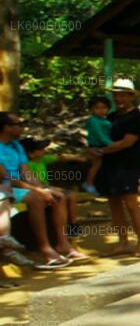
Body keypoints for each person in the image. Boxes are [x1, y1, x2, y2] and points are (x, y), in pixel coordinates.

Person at [0, 112, 85, 268]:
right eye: (18, 124)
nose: (21, 127)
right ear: (6, 127)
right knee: (36, 198)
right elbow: (7, 178)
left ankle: (63, 244)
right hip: (5, 187)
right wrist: (38, 191)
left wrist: (44, 188)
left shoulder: (16, 146)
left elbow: (26, 172)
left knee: (58, 196)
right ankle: (45, 248)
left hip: (19, 186)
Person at [91, 78, 140, 257]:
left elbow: (127, 142)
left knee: (131, 205)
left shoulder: (137, 117)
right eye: (116, 95)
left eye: (123, 95)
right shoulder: (111, 117)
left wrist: (102, 150)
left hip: (127, 166)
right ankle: (122, 242)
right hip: (110, 165)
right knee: (114, 205)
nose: (119, 98)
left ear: (130, 96)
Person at [83, 95, 112, 194]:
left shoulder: (105, 120)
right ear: (92, 109)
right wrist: (112, 144)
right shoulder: (93, 120)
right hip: (96, 146)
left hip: (104, 145)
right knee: (96, 165)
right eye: (97, 108)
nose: (101, 110)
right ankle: (89, 184)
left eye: (103, 108)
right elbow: (100, 135)